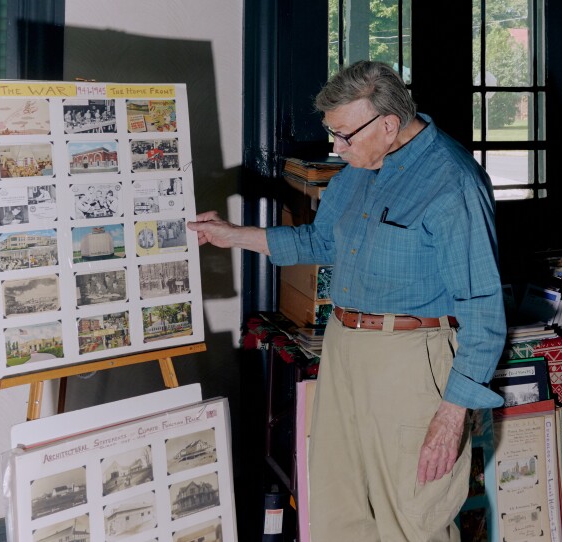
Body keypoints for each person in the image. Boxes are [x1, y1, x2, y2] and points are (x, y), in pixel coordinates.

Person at [188, 60, 505, 541]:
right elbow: (321, 243)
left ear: (388, 124)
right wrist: (232, 236)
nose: (335, 148)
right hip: (343, 349)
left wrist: (451, 413)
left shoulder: (453, 182)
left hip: (411, 362)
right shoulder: (359, 167)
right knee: (339, 512)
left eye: (343, 136)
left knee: (412, 521)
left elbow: (484, 309)